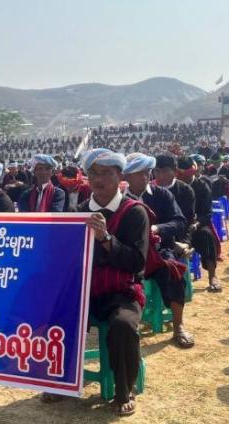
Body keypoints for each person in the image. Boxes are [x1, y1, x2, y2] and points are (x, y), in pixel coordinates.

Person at [53, 148, 148, 416]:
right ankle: (59, 381)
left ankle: (124, 389)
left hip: (122, 292)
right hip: (85, 291)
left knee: (123, 325)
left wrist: (106, 239)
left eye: (106, 173)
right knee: (55, 317)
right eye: (93, 173)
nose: (98, 179)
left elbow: (136, 262)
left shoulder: (134, 212)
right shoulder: (78, 212)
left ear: (120, 176)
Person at [123, 153, 194, 348]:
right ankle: (126, 324)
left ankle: (178, 326)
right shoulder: (120, 199)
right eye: (139, 173)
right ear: (127, 176)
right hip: (129, 254)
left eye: (147, 171)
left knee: (173, 272)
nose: (145, 176)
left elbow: (180, 222)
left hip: (158, 251)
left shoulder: (162, 194)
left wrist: (157, 228)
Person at [175, 157, 222, 292]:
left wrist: (197, 223)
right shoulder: (174, 187)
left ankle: (212, 275)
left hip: (197, 225)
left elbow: (207, 213)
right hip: (178, 225)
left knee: (206, 235)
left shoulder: (202, 187)